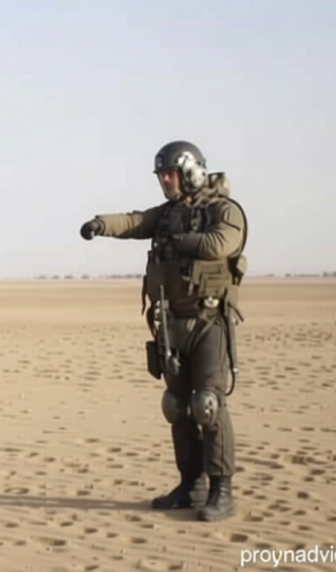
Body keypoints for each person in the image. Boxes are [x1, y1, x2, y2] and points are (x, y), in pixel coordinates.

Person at [78, 141, 248, 522]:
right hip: (172, 323)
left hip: (209, 322)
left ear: (191, 171)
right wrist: (100, 224)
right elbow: (136, 222)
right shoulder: (169, 214)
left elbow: (221, 243)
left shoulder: (223, 210)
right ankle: (191, 485)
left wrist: (179, 241)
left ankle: (222, 490)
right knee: (177, 405)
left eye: (170, 174)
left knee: (208, 404)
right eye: (161, 176)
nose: (165, 181)